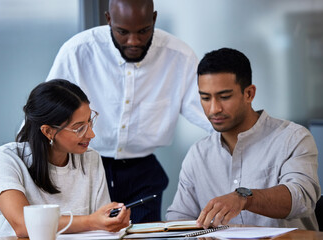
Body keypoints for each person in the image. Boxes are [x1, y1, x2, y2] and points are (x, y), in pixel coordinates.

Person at [46, 0, 212, 223]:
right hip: (83, 168)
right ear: (108, 20)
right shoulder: (77, 51)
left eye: (143, 31)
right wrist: (14, 191)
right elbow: (45, 116)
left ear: (153, 19)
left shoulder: (179, 56)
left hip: (143, 173)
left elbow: (212, 118)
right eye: (122, 32)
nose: (134, 41)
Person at [166, 48, 321, 230]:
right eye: (206, 98)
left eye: (224, 97)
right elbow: (179, 218)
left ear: (249, 94)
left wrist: (244, 198)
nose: (214, 108)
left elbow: (301, 197)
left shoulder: (293, 138)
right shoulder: (198, 154)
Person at [0, 80, 130, 238]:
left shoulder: (90, 158)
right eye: (79, 127)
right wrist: (90, 221)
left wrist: (111, 221)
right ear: (48, 131)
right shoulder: (5, 159)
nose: (91, 134)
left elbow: (101, 226)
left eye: (90, 121)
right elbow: (23, 225)